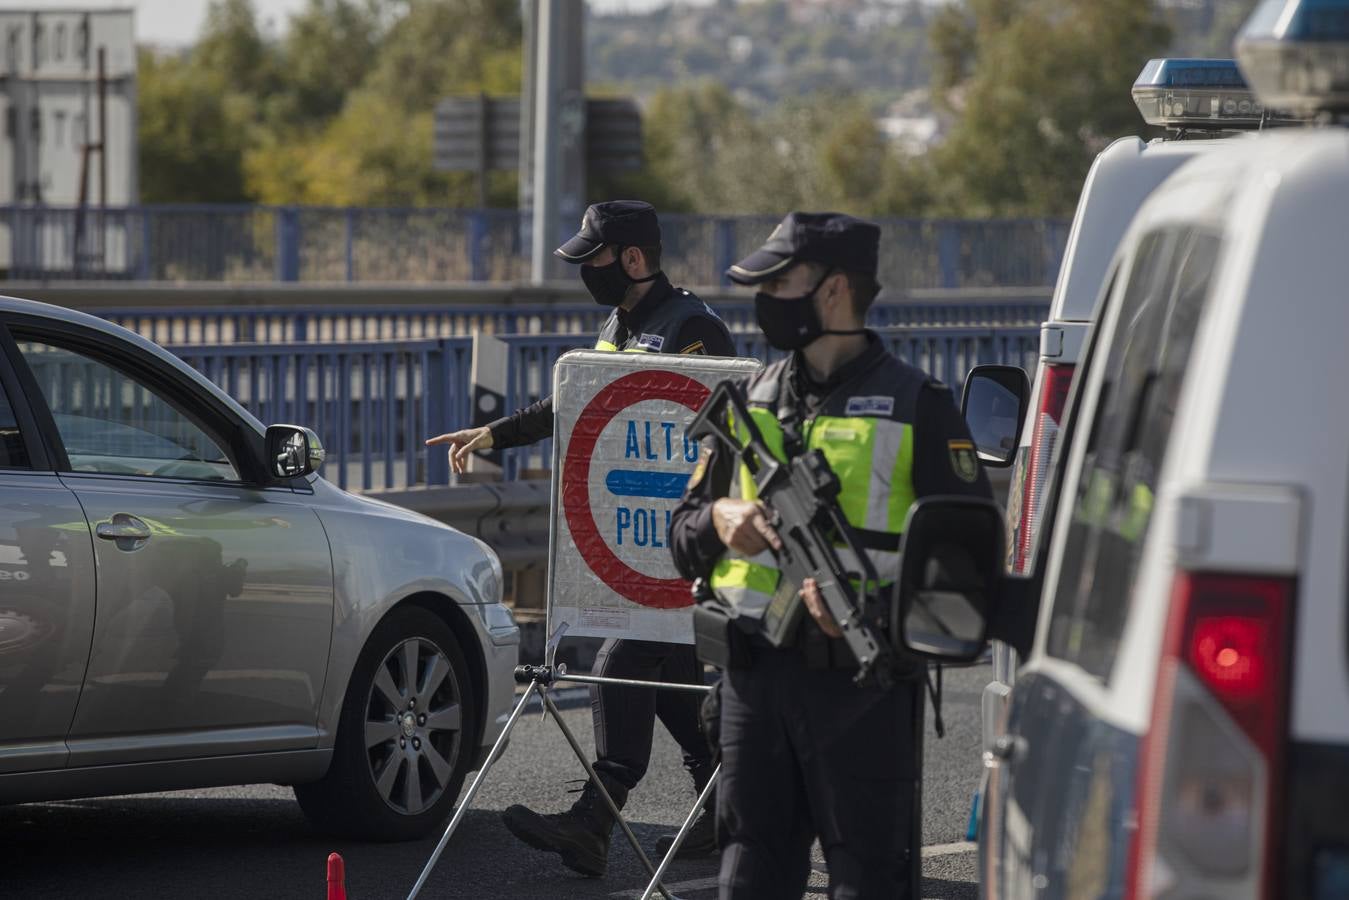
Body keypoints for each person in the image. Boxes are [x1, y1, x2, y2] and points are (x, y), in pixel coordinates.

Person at [669, 212, 994, 899]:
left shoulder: (920, 407)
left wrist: (871, 609)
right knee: (747, 872)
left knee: (866, 879)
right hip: (751, 680)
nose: (765, 299)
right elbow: (681, 536)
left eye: (781, 281)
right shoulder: (749, 401)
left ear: (834, 289)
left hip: (861, 684)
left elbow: (966, 573)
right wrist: (720, 519)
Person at [426, 200, 735, 877]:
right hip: (633, 534)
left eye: (593, 258)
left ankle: (595, 819)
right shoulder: (619, 324)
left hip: (679, 540)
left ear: (632, 257)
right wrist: (497, 433)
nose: (584, 271)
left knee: (622, 653)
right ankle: (726, 813)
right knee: (669, 675)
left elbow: (721, 432)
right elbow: (580, 400)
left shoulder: (693, 329)